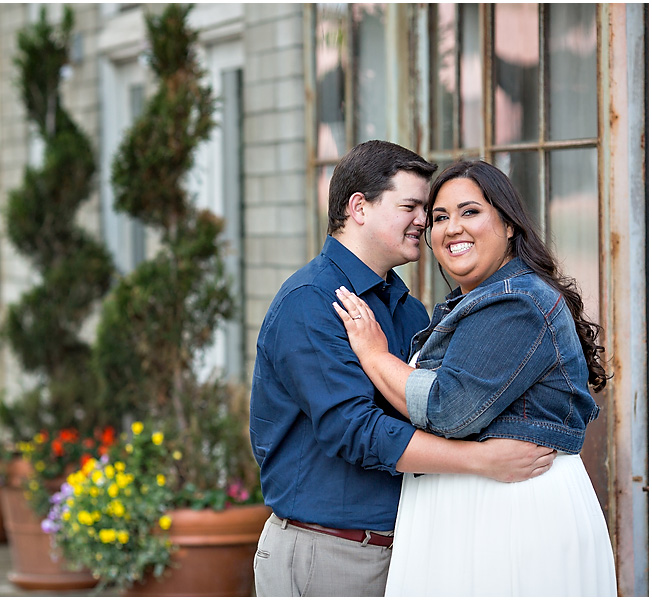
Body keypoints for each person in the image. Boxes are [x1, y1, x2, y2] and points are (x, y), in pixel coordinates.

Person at [249, 141, 556, 597]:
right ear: (359, 208)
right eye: (410, 206)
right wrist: (483, 463)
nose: (424, 220)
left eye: (424, 209)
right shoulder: (312, 301)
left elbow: (444, 409)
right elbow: (352, 429)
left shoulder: (409, 312)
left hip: (410, 552)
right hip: (330, 553)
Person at [333, 159, 617, 596]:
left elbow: (448, 408)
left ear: (508, 224)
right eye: (440, 217)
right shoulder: (467, 304)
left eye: (470, 212)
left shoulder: (518, 303)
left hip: (514, 518)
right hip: (474, 514)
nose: (451, 228)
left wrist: (373, 354)